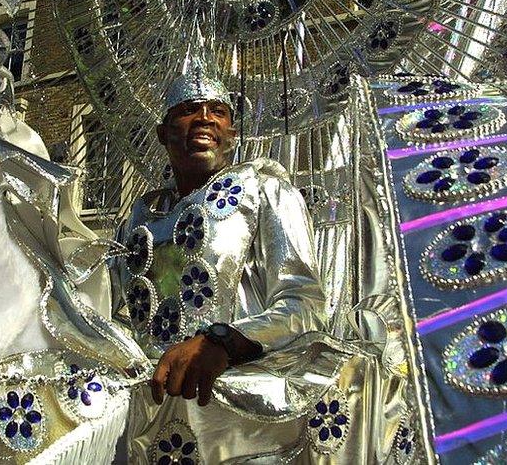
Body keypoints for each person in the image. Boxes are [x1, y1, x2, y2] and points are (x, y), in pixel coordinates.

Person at [110, 57, 340, 462]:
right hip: (145, 405)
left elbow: (303, 306)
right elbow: (118, 314)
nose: (204, 119)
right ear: (163, 133)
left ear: (231, 134)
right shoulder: (138, 215)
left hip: (235, 407)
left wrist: (220, 342)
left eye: (217, 111)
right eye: (188, 110)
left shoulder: (263, 188)